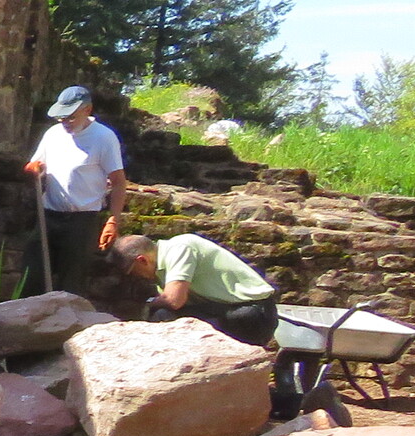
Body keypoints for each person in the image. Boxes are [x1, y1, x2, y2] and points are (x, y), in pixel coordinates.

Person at [20, 85, 128, 297]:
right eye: (61, 117)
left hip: (81, 221)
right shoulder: (53, 134)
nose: (65, 122)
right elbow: (36, 164)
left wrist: (113, 220)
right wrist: (35, 168)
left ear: (87, 110)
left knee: (71, 284)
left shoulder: (103, 137)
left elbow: (118, 182)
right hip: (48, 215)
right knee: (32, 276)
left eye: (70, 117)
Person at [109, 232, 279, 346]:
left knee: (163, 315)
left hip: (251, 314)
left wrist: (146, 304)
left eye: (133, 272)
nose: (136, 277)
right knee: (162, 316)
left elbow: (173, 300)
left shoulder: (180, 247)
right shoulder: (160, 269)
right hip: (223, 310)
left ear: (142, 260)